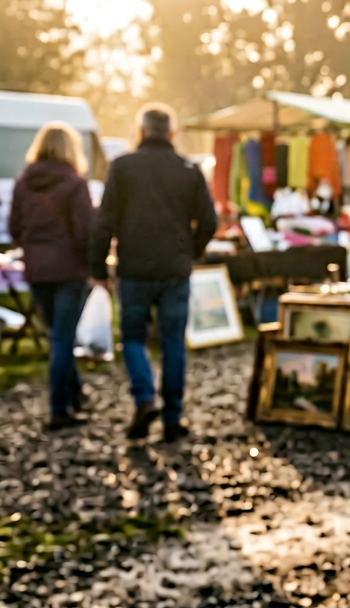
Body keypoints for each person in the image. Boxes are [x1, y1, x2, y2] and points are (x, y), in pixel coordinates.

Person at [91, 104, 217, 442]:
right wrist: (191, 251)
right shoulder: (189, 170)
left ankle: (145, 398)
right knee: (173, 341)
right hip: (175, 268)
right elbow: (209, 222)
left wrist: (98, 266)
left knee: (133, 337)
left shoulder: (122, 167)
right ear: (172, 134)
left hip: (134, 267)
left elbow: (104, 221)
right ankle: (173, 418)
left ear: (142, 130)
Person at [8, 122, 93, 430]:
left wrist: (32, 249)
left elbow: (15, 227)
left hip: (37, 269)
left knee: (56, 335)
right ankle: (59, 408)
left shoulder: (23, 183)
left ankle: (76, 392)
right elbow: (85, 230)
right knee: (63, 337)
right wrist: (93, 263)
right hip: (70, 268)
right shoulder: (75, 183)